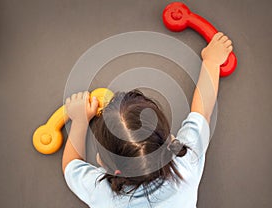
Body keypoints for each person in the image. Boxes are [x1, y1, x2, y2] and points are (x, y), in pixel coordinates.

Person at [62, 32, 233, 207]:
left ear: (114, 171)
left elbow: (71, 166)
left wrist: (80, 121)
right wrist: (212, 62)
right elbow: (202, 112)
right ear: (170, 141)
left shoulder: (102, 193)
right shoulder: (185, 165)